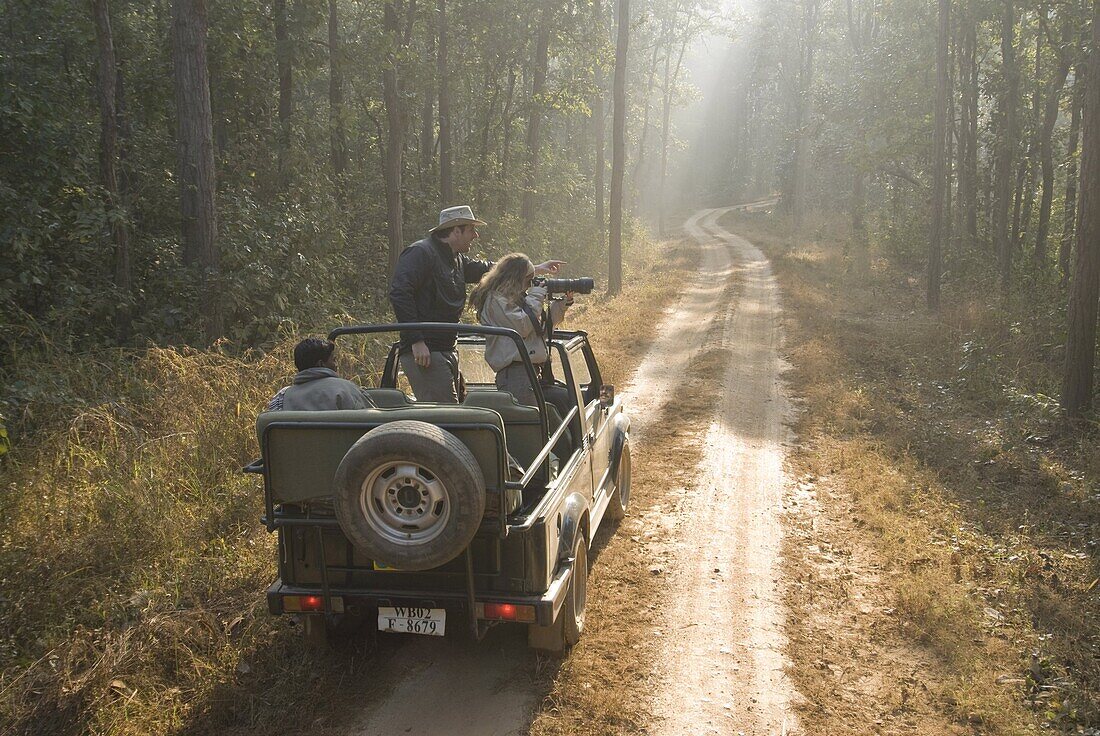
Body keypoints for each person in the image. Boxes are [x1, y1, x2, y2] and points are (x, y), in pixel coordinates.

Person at [389, 205, 563, 403]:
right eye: (471, 230)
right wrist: (416, 340)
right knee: (447, 417)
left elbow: (495, 270)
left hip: (446, 347)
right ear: (456, 231)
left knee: (458, 411)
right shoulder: (420, 253)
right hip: (426, 351)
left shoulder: (457, 259)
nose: (476, 235)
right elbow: (400, 293)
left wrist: (536, 269)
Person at [469, 253, 572, 406]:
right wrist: (536, 295)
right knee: (531, 423)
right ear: (515, 279)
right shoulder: (495, 300)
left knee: (564, 403)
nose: (530, 285)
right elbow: (522, 327)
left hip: (530, 371)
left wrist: (561, 304)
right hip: (515, 373)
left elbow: (540, 331)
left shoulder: (517, 298)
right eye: (529, 280)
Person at [266, 338, 369, 411]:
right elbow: (374, 428)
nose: (337, 365)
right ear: (320, 364)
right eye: (334, 360)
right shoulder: (348, 389)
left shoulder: (281, 398)